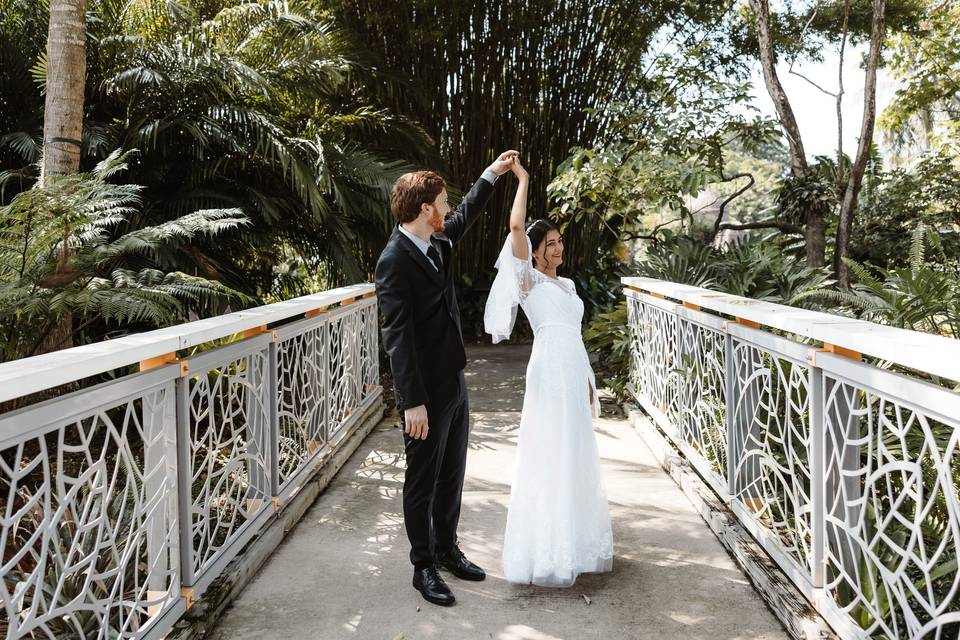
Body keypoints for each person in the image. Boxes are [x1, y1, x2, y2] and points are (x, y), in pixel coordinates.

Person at [374, 150, 519, 606]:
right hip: (424, 393)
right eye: (443, 202)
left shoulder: (437, 242)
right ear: (424, 209)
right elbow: (396, 336)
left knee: (452, 474)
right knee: (421, 479)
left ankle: (446, 548)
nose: (448, 209)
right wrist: (411, 400)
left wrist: (492, 174)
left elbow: (466, 216)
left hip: (453, 380)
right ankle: (423, 567)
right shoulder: (393, 260)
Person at [484, 156, 614, 587]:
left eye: (559, 241)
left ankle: (574, 545)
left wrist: (588, 380)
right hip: (547, 372)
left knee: (574, 451)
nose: (557, 248)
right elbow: (517, 228)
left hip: (572, 370)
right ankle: (545, 550)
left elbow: (574, 337)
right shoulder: (529, 282)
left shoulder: (570, 285)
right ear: (535, 252)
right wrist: (522, 178)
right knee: (548, 450)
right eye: (550, 243)